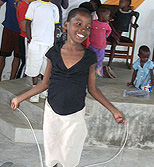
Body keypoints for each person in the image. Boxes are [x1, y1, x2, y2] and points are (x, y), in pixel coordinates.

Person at [11, 8, 125, 167]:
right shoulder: (54, 53)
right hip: (52, 113)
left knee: (70, 155)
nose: (83, 30)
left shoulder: (90, 56)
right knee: (52, 154)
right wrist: (19, 98)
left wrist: (114, 110)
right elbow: (45, 83)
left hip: (75, 114)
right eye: (78, 24)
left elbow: (93, 89)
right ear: (66, 24)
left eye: (87, 27)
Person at [25, 0, 59, 102]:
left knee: (46, 67)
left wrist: (54, 42)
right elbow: (28, 23)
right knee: (34, 65)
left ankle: (44, 88)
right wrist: (30, 38)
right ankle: (35, 90)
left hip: (48, 43)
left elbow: (55, 26)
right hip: (36, 42)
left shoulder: (54, 8)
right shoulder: (34, 5)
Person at [104, 0, 139, 78]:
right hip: (112, 30)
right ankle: (106, 63)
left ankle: (109, 64)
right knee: (110, 43)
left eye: (122, 2)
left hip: (118, 33)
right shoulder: (118, 11)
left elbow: (137, 14)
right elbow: (112, 17)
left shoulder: (130, 12)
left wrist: (134, 23)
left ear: (127, 4)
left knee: (114, 43)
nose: (119, 3)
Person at [0, 0, 21, 81]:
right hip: (9, 27)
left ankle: (12, 81)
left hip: (22, 31)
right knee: (2, 54)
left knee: (17, 56)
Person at [89, 6, 111, 77]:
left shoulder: (106, 25)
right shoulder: (93, 23)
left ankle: (98, 71)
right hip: (92, 44)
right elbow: (88, 27)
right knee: (90, 58)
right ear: (102, 16)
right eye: (108, 16)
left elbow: (109, 30)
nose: (109, 17)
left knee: (100, 59)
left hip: (101, 46)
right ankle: (90, 71)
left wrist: (106, 35)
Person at [16, 0, 34, 78]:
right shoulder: (24, 7)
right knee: (26, 64)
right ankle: (20, 85)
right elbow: (24, 27)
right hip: (25, 38)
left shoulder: (28, 6)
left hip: (28, 38)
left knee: (28, 63)